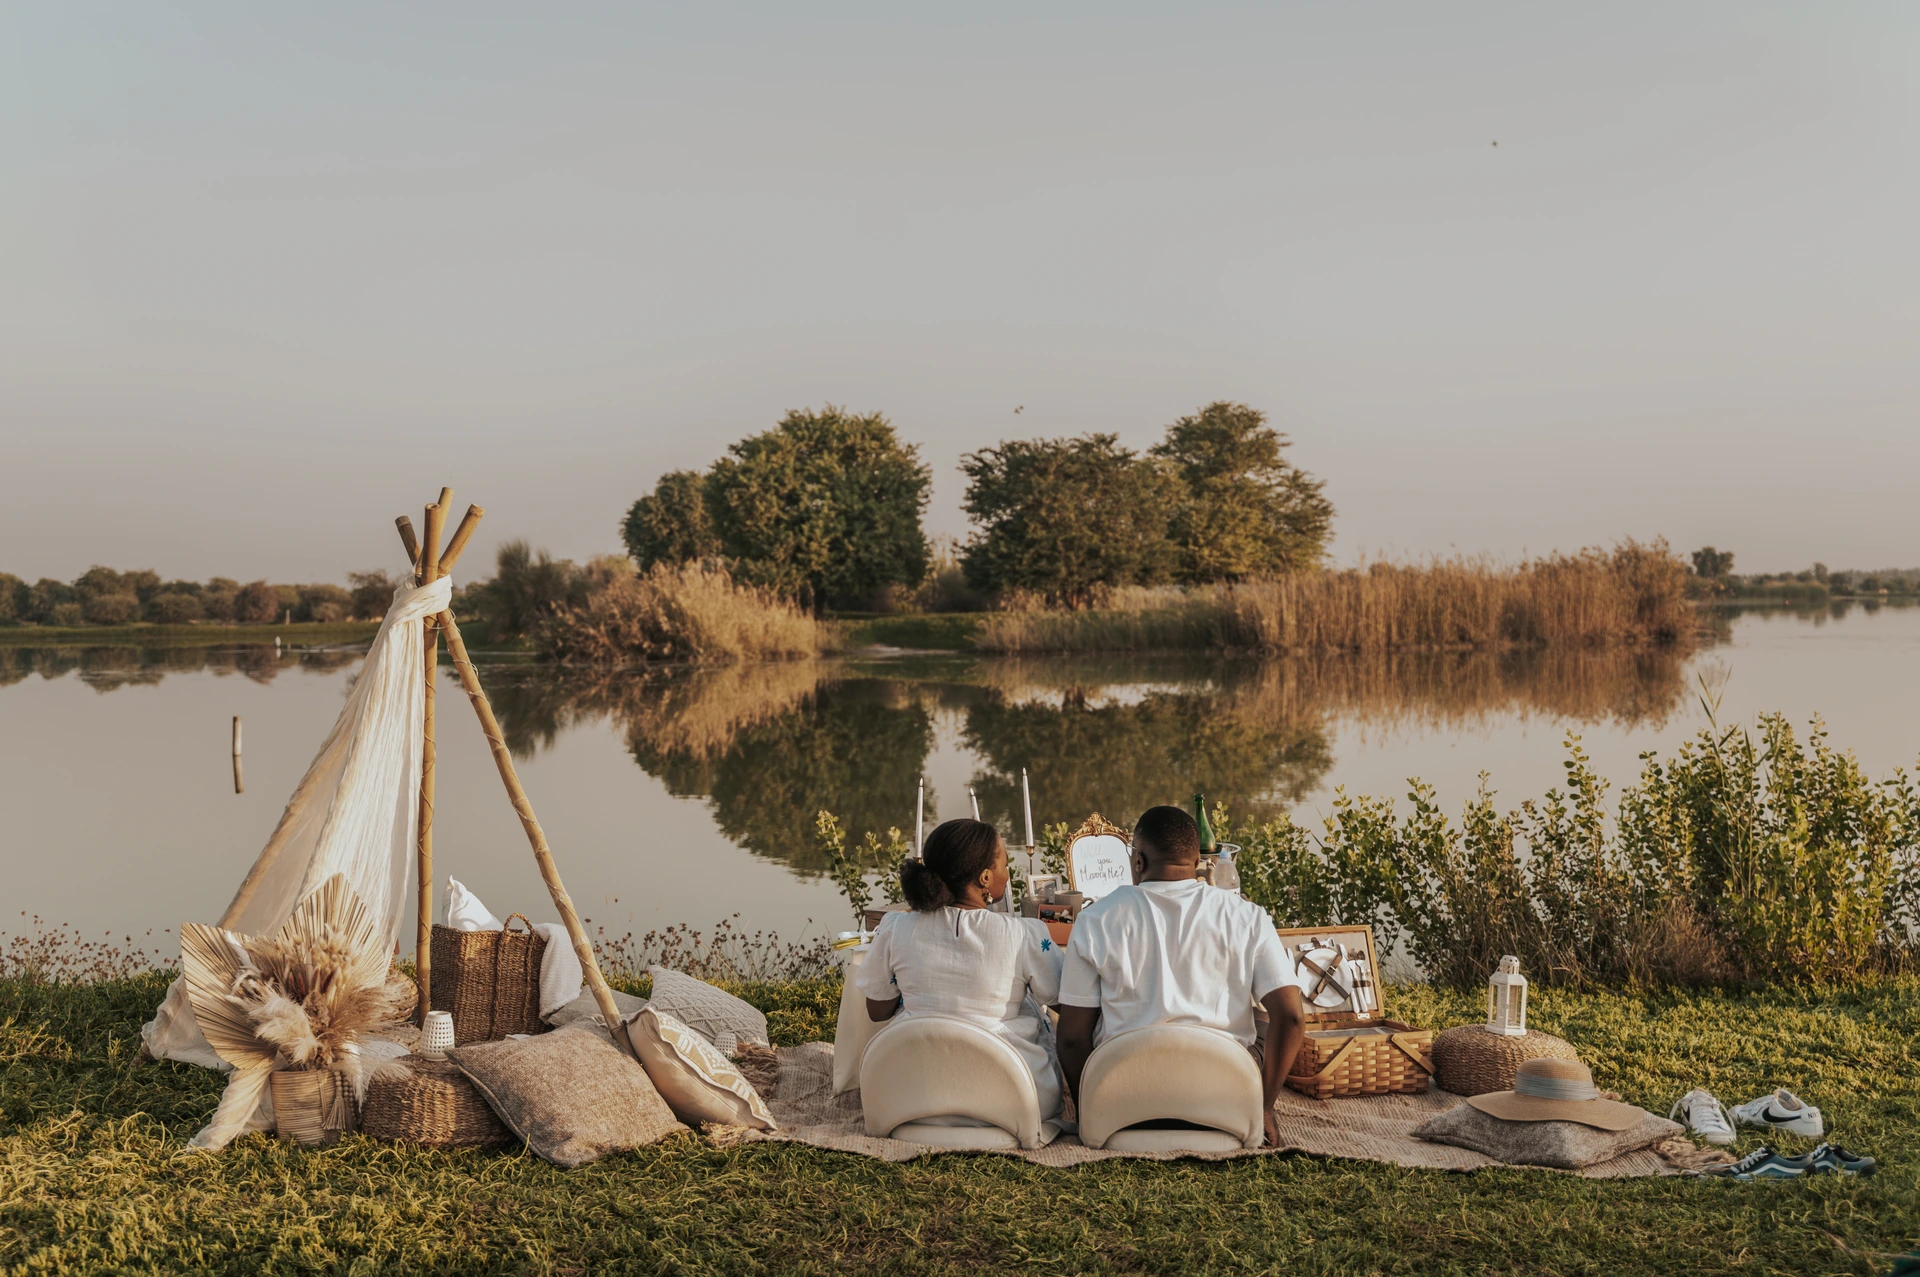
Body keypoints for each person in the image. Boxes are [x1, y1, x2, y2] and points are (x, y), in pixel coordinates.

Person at [1055, 805, 1307, 1148]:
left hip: (1124, 1097)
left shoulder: (1095, 918)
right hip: (1222, 1095)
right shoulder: (1247, 916)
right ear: (1198, 862)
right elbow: (1291, 1016)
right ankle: (1250, 1105)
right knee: (1264, 1017)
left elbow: (1071, 1039)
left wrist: (1091, 1110)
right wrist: (1263, 1107)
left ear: (1138, 861)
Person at [855, 818, 1067, 1120]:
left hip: (910, 1091)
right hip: (1008, 1095)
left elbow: (877, 1010)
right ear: (984, 878)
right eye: (1004, 865)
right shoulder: (1023, 934)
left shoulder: (896, 928)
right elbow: (1065, 1000)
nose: (1007, 874)